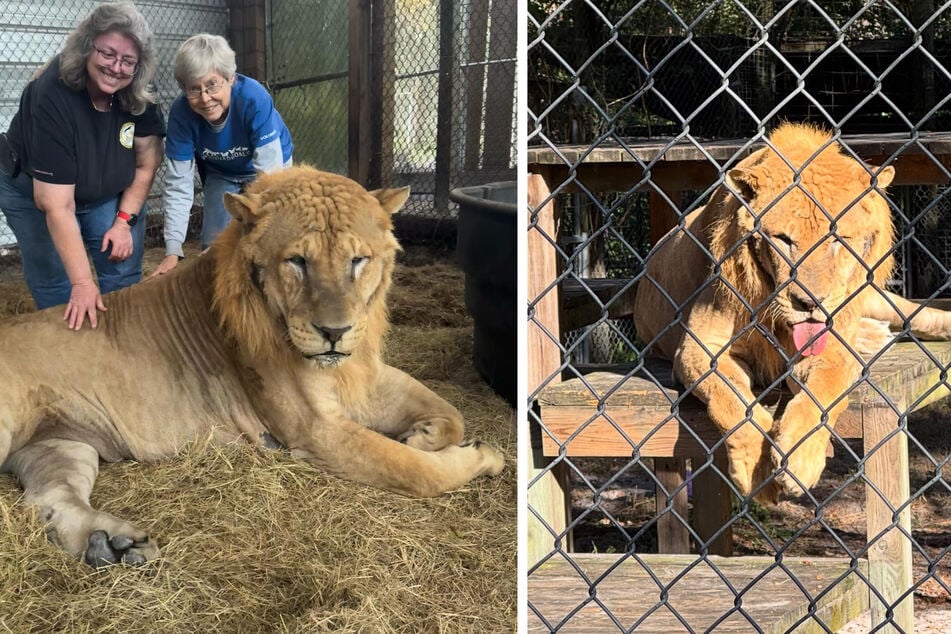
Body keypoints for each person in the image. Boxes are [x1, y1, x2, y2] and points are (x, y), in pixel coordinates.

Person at [0, 1, 164, 330]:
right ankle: (69, 356)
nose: (117, 68)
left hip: (102, 188)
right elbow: (57, 205)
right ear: (87, 47)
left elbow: (146, 165)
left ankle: (123, 339)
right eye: (107, 54)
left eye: (128, 61)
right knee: (56, 278)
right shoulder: (53, 93)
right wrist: (83, 284)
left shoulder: (140, 92)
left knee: (120, 268)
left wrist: (122, 221)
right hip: (32, 188)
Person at [149, 33, 293, 278]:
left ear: (230, 78)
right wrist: (173, 250)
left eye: (212, 85)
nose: (205, 98)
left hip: (269, 170)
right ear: (184, 88)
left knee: (267, 242)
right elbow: (179, 184)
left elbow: (271, 180)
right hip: (222, 172)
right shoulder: (181, 114)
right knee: (213, 250)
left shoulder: (253, 98)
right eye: (194, 89)